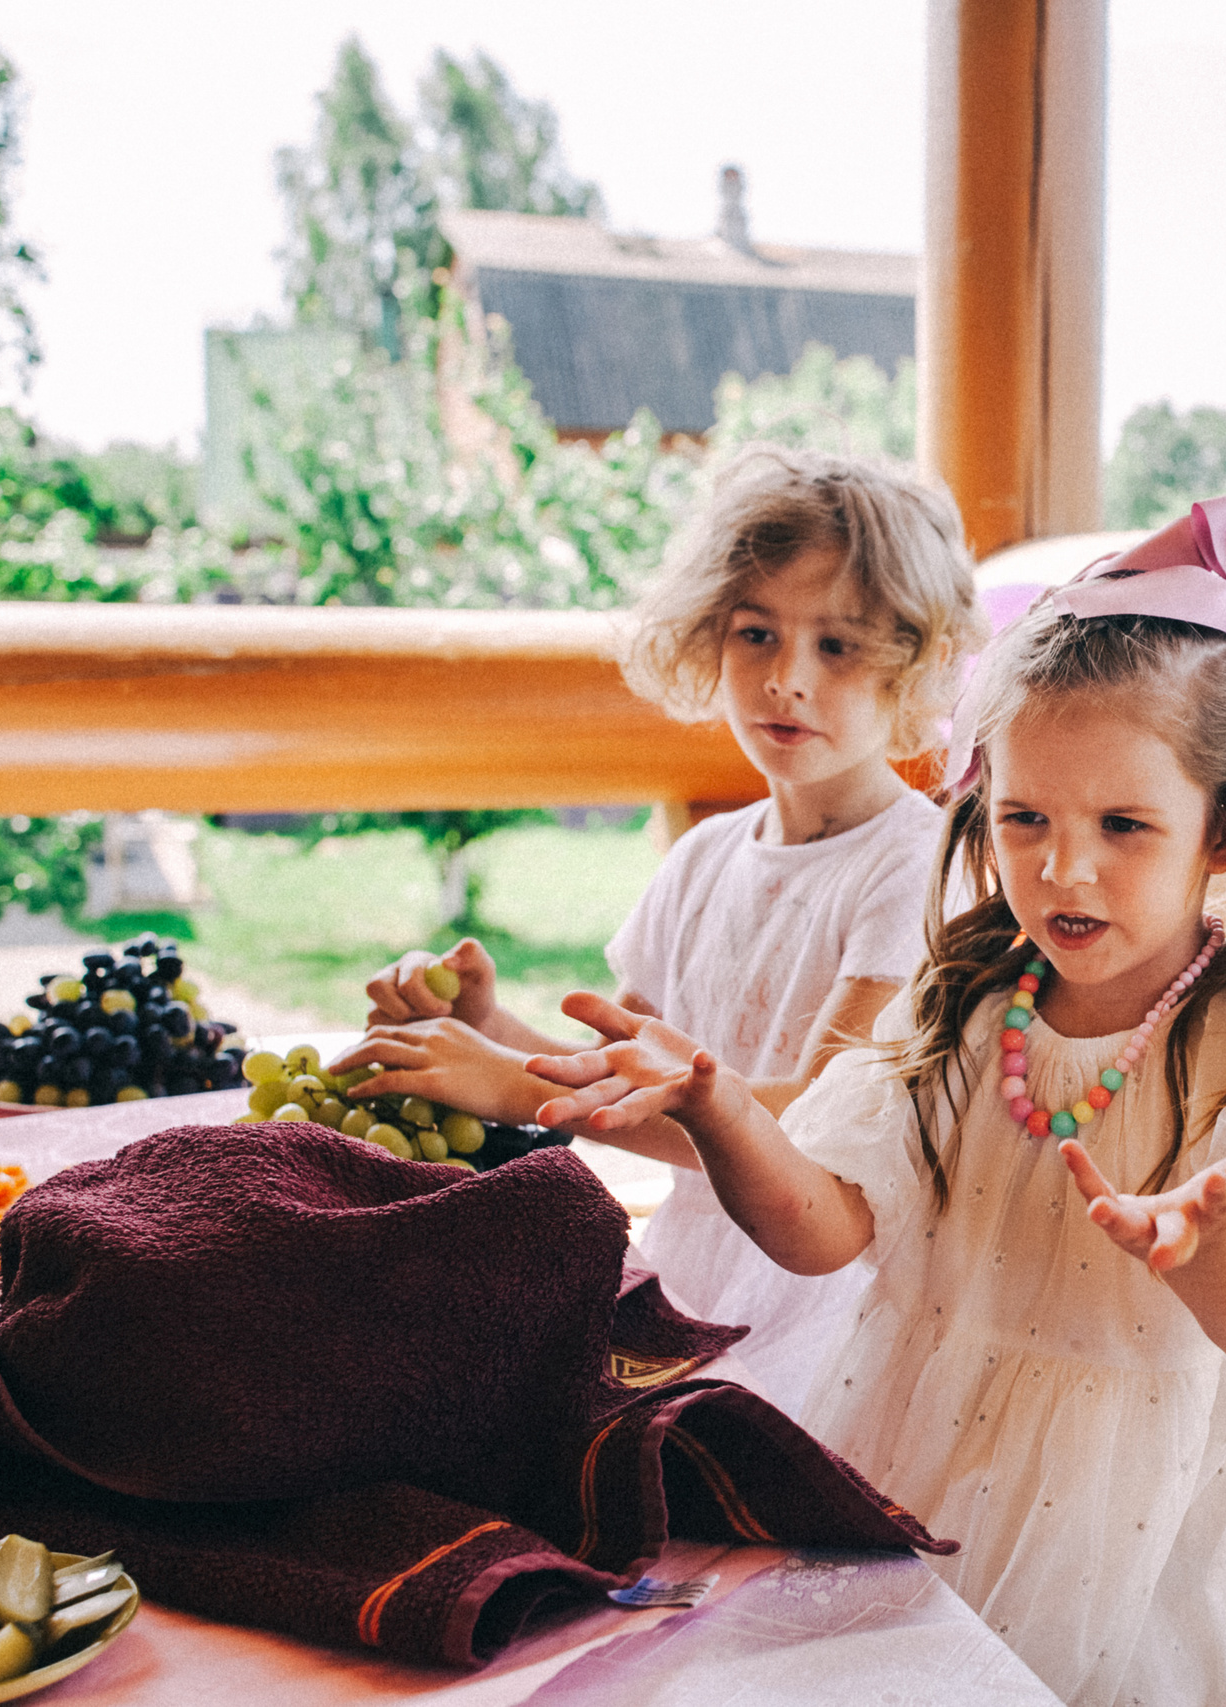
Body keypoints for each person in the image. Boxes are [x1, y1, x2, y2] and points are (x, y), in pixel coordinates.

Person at [525, 495, 1226, 1707]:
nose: (1061, 867)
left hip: (1143, 1502)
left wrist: (1220, 1253)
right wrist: (723, 1110)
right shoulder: (971, 1000)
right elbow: (825, 1229)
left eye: (1123, 825)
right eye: (1024, 817)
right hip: (921, 1427)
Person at [333, 447, 983, 1417]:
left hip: (830, 1308)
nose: (786, 680)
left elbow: (810, 1120)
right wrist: (493, 1027)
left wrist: (513, 1087)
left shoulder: (916, 868)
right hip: (694, 1282)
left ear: (916, 662)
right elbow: (617, 1068)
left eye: (837, 645)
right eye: (755, 633)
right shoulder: (705, 856)